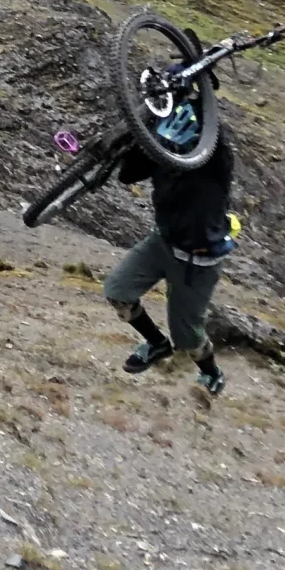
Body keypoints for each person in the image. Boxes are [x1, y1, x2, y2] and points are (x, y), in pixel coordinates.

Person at [103, 125, 237, 396]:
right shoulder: (161, 152)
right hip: (161, 244)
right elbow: (128, 175)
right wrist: (140, 138)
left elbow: (216, 134)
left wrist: (198, 99)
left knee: (188, 338)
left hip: (198, 263)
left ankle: (212, 373)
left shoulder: (212, 160)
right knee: (118, 292)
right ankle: (156, 344)